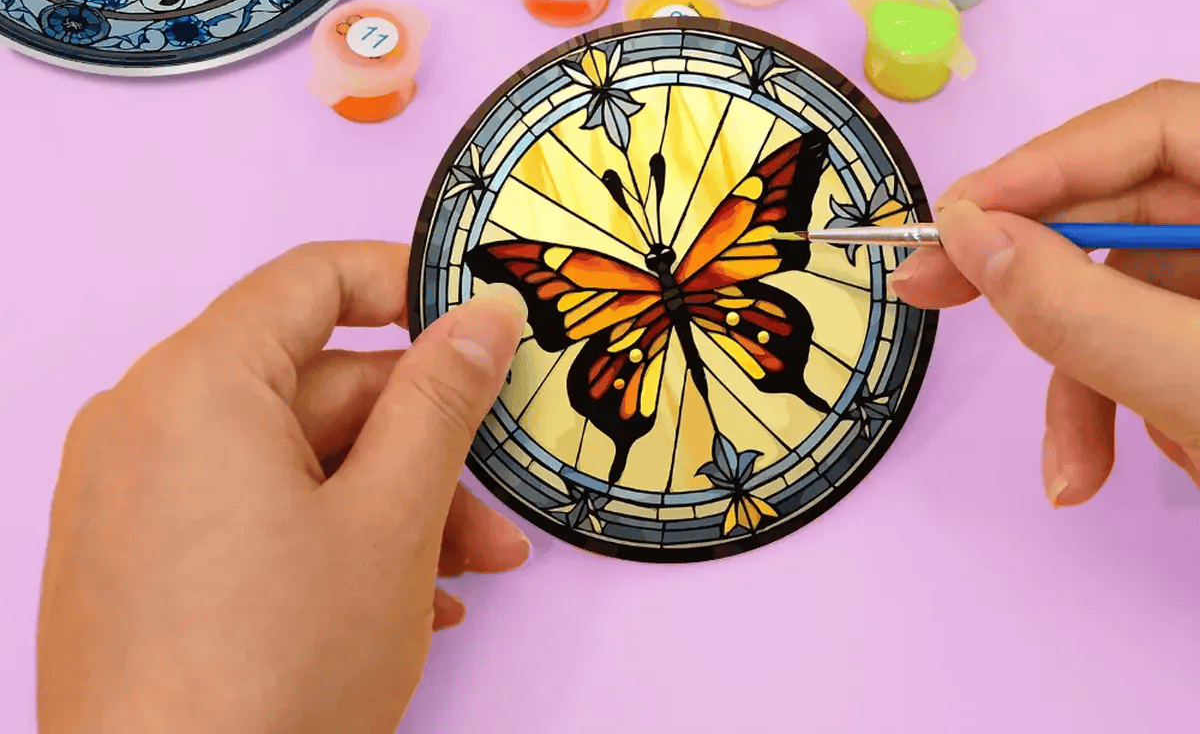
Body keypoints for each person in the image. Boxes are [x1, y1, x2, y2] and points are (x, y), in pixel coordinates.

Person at [37, 80, 1200, 733]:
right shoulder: (732, 223)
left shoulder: (577, 272)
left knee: (723, 376)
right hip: (717, 323)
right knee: (753, 369)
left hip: (651, 347)